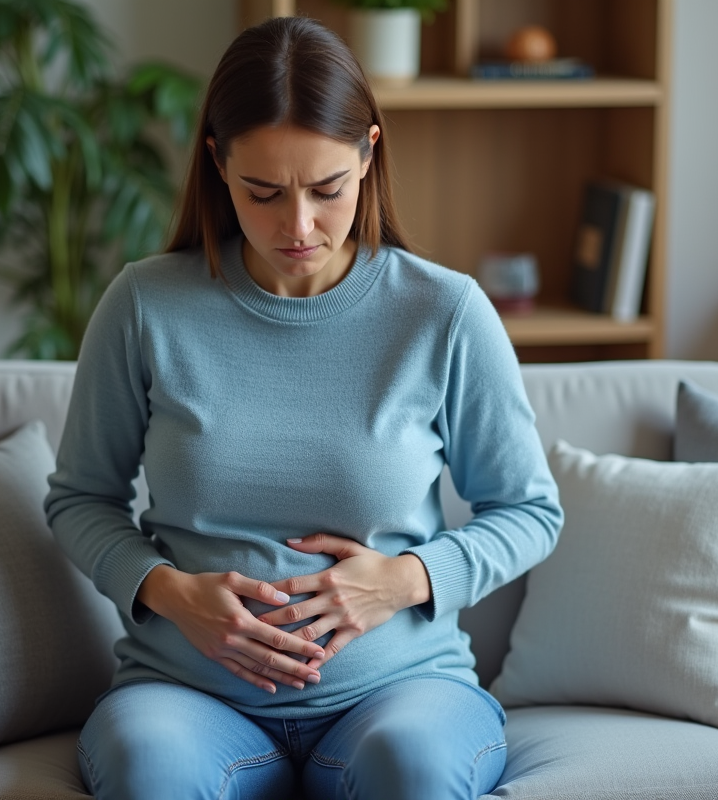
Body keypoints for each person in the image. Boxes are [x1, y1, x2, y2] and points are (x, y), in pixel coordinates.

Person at [44, 15, 562, 800]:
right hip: (189, 698)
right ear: (217, 165)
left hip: (402, 694)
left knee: (411, 770)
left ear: (369, 154)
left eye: (327, 191)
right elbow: (80, 499)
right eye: (263, 192)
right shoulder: (145, 307)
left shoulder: (444, 311)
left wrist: (406, 579)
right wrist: (169, 592)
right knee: (150, 772)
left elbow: (529, 510)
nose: (298, 226)